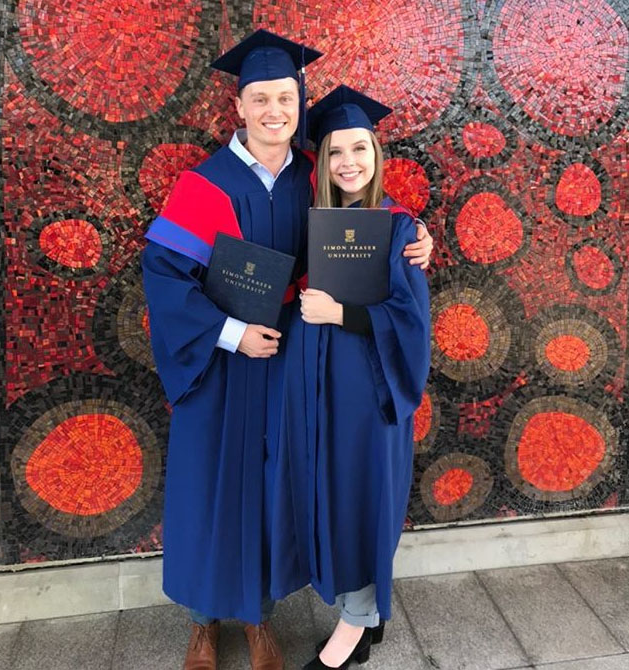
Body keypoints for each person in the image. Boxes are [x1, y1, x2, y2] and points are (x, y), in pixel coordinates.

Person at [142, 29, 434, 670]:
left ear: (301, 104)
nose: (275, 111)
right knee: (211, 490)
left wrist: (418, 234)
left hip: (292, 365)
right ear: (239, 107)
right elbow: (164, 276)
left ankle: (257, 619)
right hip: (220, 365)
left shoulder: (315, 172)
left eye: (286, 98)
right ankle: (201, 622)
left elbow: (365, 211)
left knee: (270, 491)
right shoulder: (204, 185)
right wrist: (230, 333)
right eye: (260, 99)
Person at [275, 86, 431, 670]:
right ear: (323, 161)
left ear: (376, 153)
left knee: (361, 497)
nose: (348, 162)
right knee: (332, 496)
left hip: (370, 394)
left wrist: (340, 314)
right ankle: (367, 619)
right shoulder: (315, 223)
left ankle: (352, 626)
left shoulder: (398, 228)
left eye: (359, 148)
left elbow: (410, 324)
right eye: (336, 151)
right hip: (319, 393)